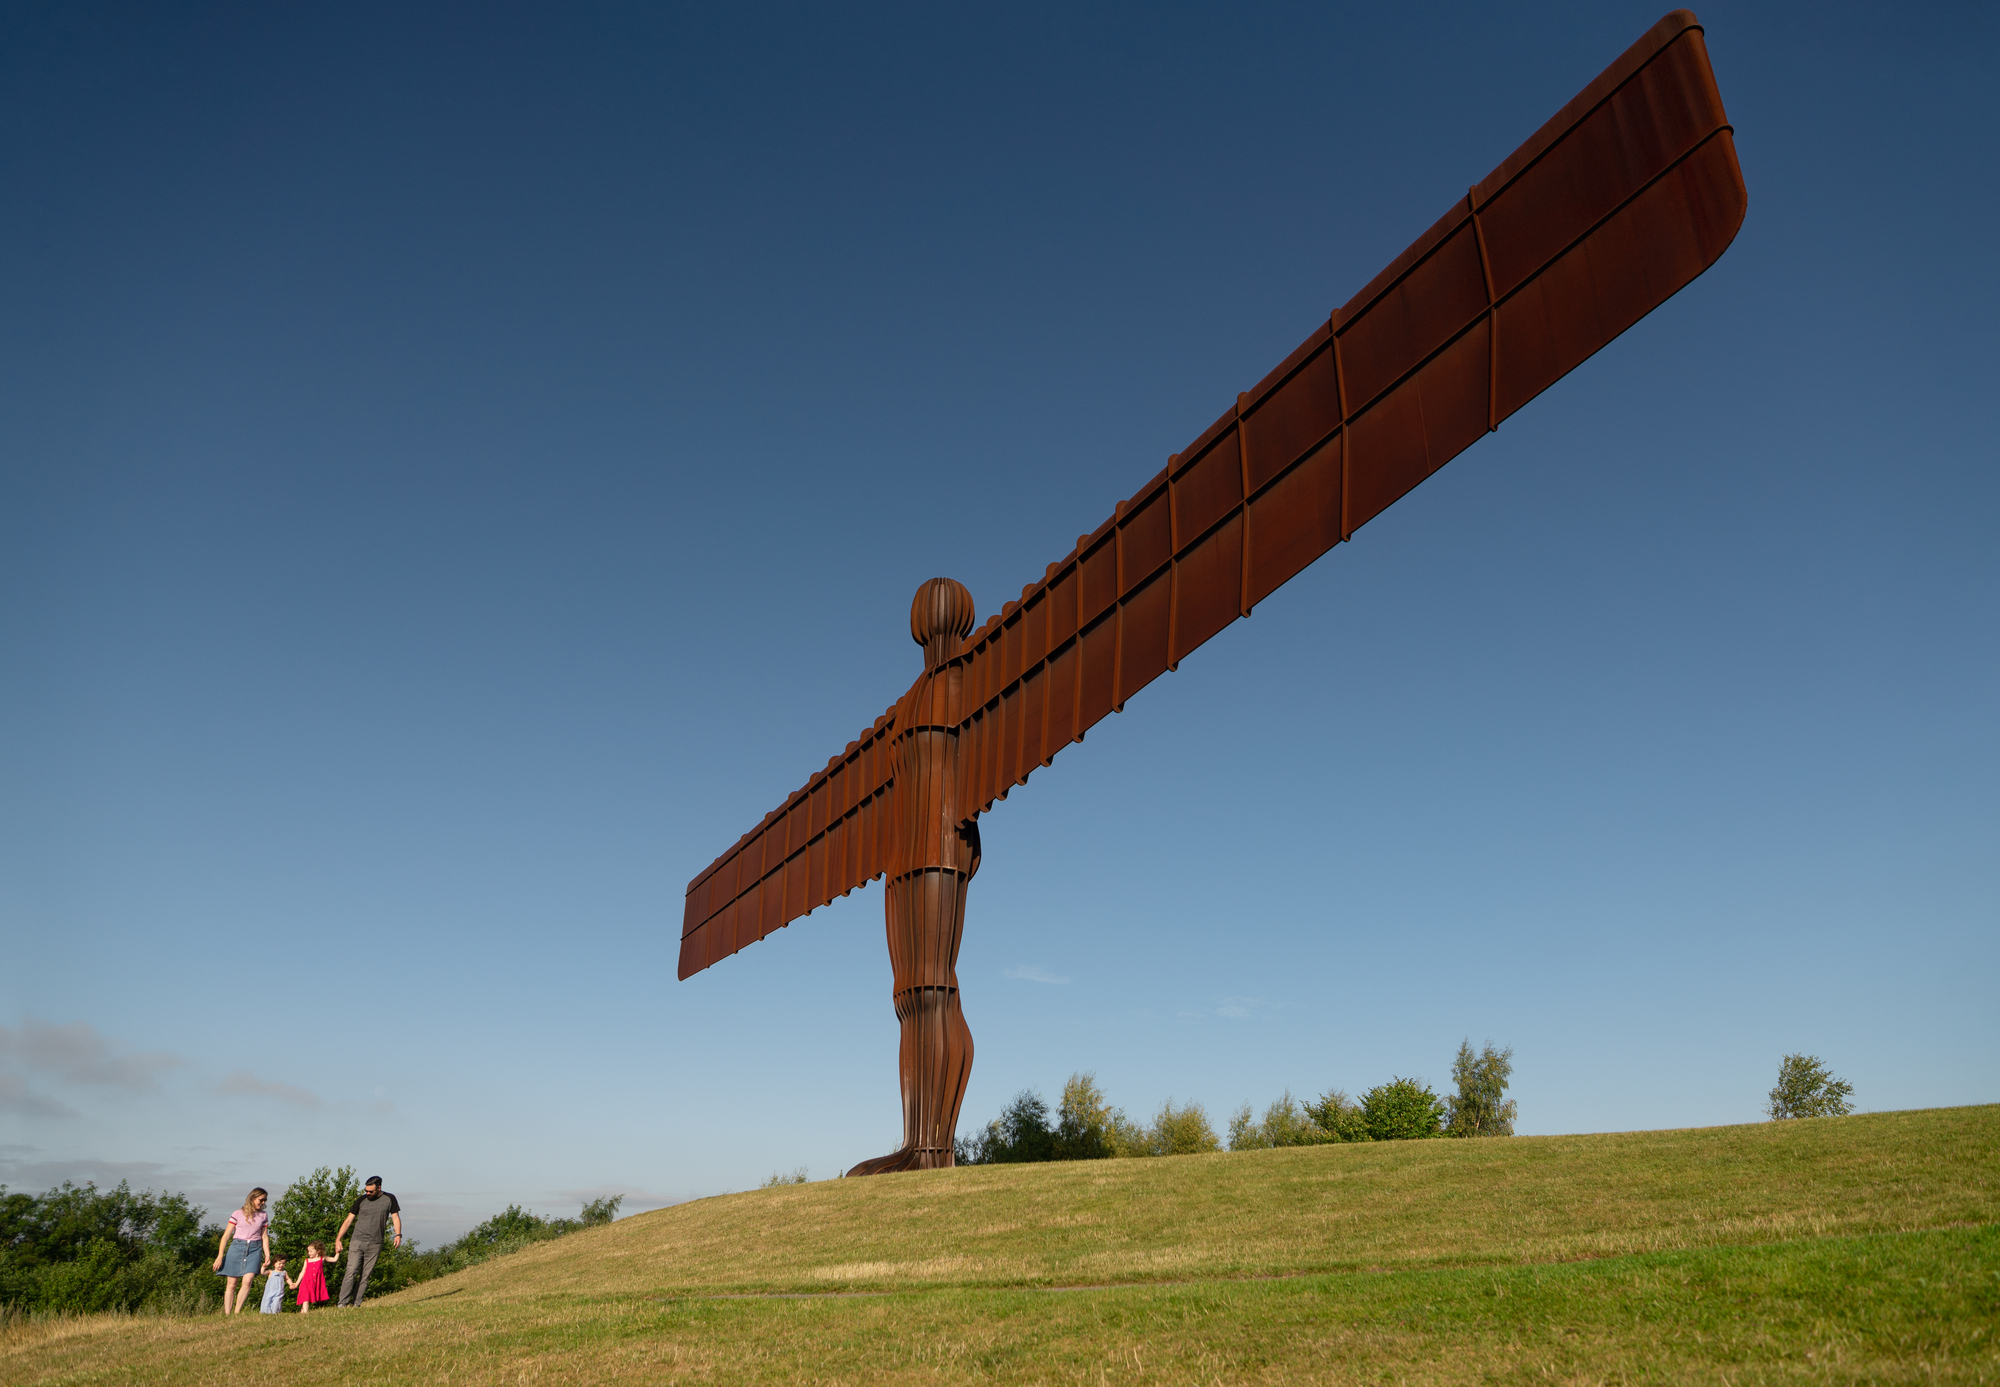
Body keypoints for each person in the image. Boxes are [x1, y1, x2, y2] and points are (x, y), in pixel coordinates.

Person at [332, 1175, 402, 1306]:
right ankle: (342, 1304)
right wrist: (338, 1239)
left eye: (371, 1191)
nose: (368, 1193)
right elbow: (348, 1220)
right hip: (357, 1240)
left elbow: (396, 1218)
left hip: (375, 1243)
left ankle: (356, 1304)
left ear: (379, 1188)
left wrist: (398, 1235)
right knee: (351, 1271)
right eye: (366, 1191)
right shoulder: (361, 1200)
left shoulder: (390, 1199)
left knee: (365, 1275)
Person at [211, 1187, 272, 1314]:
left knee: (248, 1280)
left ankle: (237, 1312)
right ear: (252, 1198)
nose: (262, 1203)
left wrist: (267, 1255)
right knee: (231, 1284)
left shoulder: (263, 1215)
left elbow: (264, 1236)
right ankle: (227, 1314)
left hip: (255, 1249)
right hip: (237, 1247)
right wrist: (220, 1255)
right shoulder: (237, 1214)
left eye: (264, 1200)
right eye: (260, 1200)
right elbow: (226, 1235)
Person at [294, 1242, 335, 1313]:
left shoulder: (322, 1258)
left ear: (318, 1251)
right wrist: (297, 1283)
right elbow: (302, 1272)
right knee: (305, 1298)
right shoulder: (307, 1260)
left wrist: (338, 1252)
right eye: (308, 1251)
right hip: (306, 1282)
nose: (309, 1253)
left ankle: (302, 1314)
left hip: (314, 1283)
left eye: (311, 1251)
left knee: (306, 1300)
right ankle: (305, 1314)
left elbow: (334, 1259)